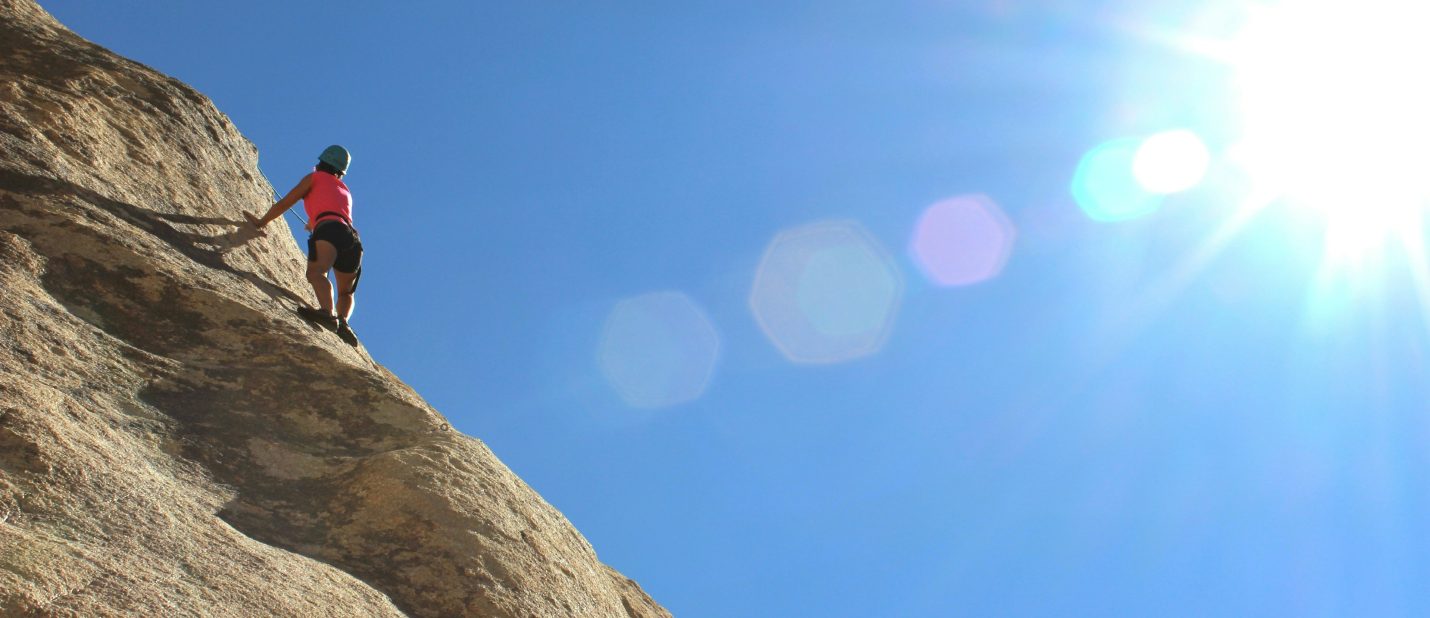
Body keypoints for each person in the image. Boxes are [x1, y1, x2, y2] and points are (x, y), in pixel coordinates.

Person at [245, 145, 363, 345]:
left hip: (329, 230)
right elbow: (332, 208)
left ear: (321, 163)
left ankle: (327, 313)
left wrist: (261, 222)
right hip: (352, 239)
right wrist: (313, 221)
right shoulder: (344, 189)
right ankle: (344, 323)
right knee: (346, 292)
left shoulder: (314, 178)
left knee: (317, 272)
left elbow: (285, 203)